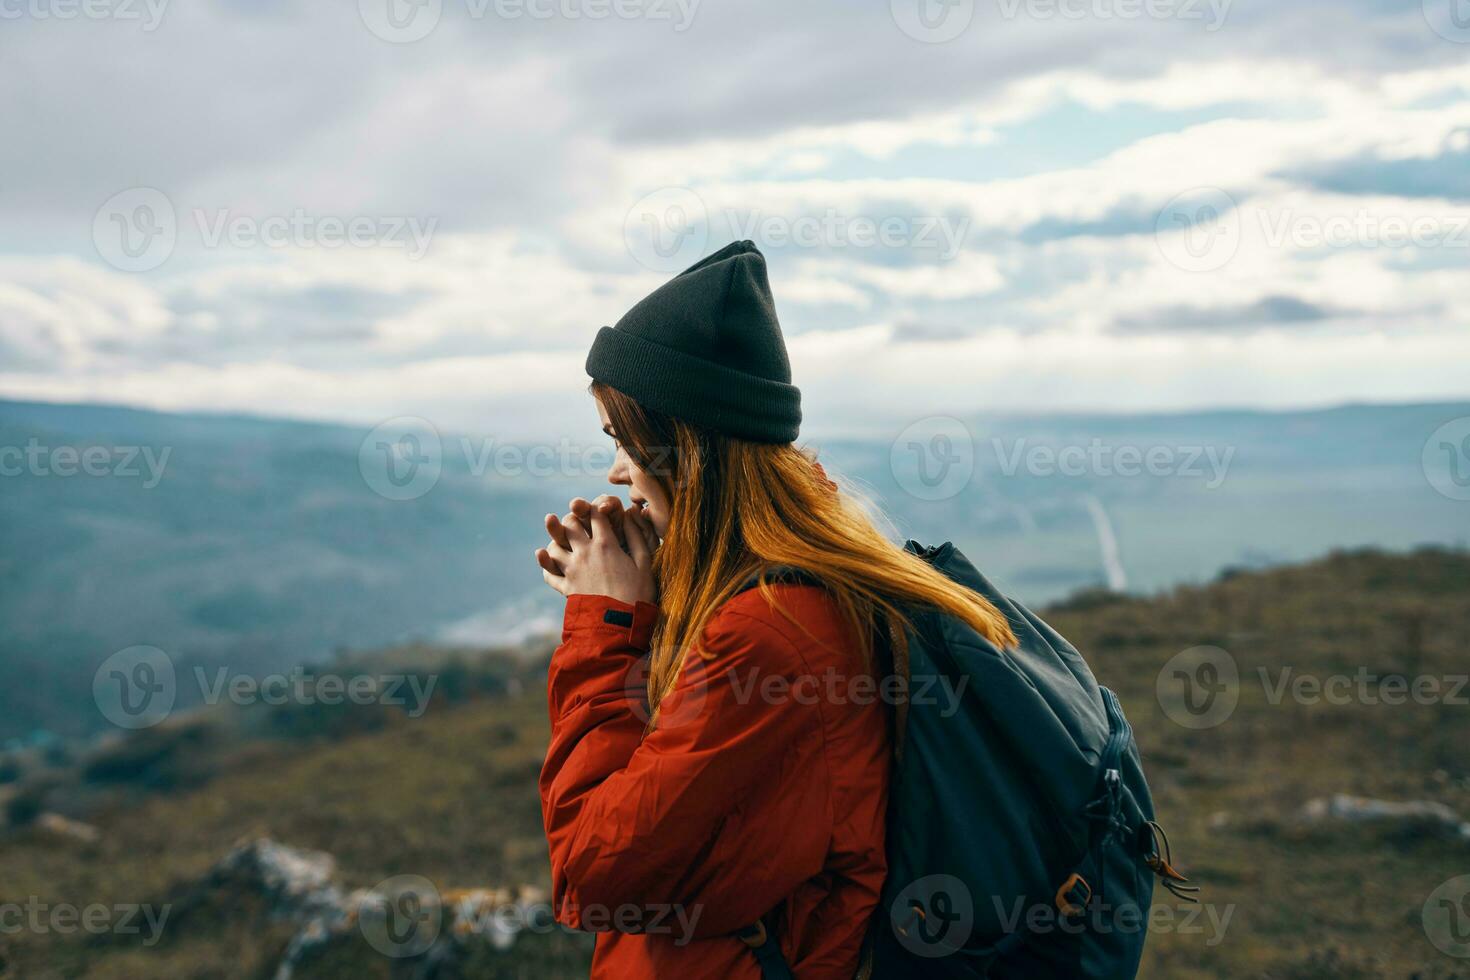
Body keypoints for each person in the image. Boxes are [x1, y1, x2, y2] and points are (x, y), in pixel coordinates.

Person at [534, 240, 1016, 978]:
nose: (617, 471)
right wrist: (650, 608)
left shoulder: (771, 633)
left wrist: (605, 627)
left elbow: (595, 871)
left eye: (625, 440)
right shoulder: (795, 594)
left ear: (687, 452)